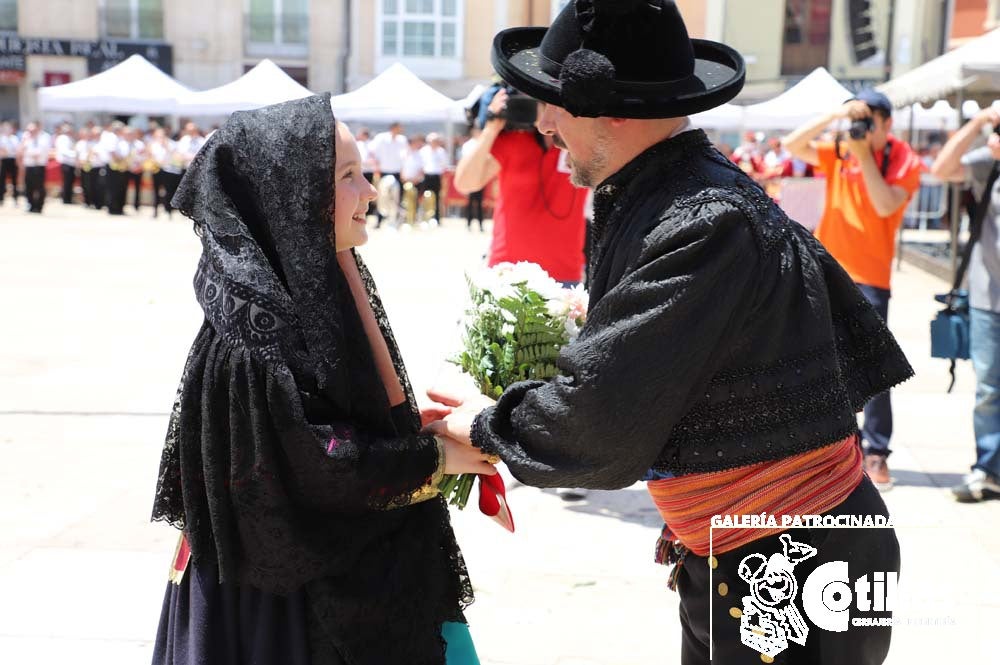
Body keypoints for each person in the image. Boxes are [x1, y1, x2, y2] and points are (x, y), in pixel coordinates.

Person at [428, 3, 909, 663]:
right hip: (749, 552)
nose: (542, 122)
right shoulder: (667, 196)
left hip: (799, 560)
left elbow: (604, 419)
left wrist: (484, 426)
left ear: (613, 109)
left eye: (556, 102)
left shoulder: (701, 221)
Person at [149, 94, 491, 665]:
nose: (370, 192)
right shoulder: (253, 337)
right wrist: (429, 459)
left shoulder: (310, 292)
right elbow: (309, 466)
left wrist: (406, 434)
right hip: (282, 611)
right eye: (348, 177)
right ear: (291, 197)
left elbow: (332, 423)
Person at [783, 88, 923, 490]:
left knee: (876, 370)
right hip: (829, 270)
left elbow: (884, 205)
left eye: (869, 121)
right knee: (826, 365)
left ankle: (877, 453)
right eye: (858, 119)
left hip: (872, 276)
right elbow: (794, 144)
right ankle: (842, 450)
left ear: (887, 123)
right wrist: (834, 116)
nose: (861, 127)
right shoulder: (841, 148)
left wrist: (863, 154)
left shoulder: (901, 157)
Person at [930, 106, 1000, 502]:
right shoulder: (988, 162)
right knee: (989, 388)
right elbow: (941, 168)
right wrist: (979, 121)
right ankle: (988, 469)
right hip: (989, 295)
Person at [454, 88, 589, 286]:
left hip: (564, 273)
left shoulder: (582, 146)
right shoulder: (513, 142)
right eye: (542, 105)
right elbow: (465, 183)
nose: (547, 117)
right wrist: (491, 127)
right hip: (507, 271)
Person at [368, 121, 408, 227]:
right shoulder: (381, 138)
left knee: (397, 197)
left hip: (397, 172)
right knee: (382, 197)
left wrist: (404, 171)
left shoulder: (402, 140)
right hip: (384, 171)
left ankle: (395, 220)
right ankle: (379, 220)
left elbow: (404, 157)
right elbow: (371, 151)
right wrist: (376, 165)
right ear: (393, 128)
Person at [149, 128, 183, 218]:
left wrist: (166, 146)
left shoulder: (171, 143)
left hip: (168, 169)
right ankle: (155, 210)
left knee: (168, 191)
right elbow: (151, 155)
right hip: (156, 168)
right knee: (156, 191)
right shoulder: (153, 144)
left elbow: (176, 155)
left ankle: (168, 210)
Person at [18, 121, 51, 214]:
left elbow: (40, 152)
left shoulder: (44, 138)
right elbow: (21, 151)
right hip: (29, 165)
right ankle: (31, 205)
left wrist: (30, 152)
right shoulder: (26, 138)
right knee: (29, 186)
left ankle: (39, 206)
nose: (31, 132)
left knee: (40, 187)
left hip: (39, 166)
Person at [460, 129, 486, 231]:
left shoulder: (483, 143)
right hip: (471, 173)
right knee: (470, 201)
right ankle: (469, 223)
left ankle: (480, 223)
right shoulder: (468, 145)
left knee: (479, 201)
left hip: (480, 174)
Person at [420, 132, 449, 224]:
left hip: (436, 176)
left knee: (437, 198)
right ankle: (423, 216)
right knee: (424, 197)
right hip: (426, 176)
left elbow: (444, 164)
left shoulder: (441, 151)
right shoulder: (424, 150)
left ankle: (436, 218)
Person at [54, 123, 77, 205]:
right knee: (67, 182)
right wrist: (75, 154)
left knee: (70, 182)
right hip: (66, 163)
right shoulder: (63, 138)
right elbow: (64, 151)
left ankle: (68, 198)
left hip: (71, 163)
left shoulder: (69, 138)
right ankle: (66, 199)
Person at [0, 121, 19, 205]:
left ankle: (15, 198)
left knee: (14, 180)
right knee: (2, 180)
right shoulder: (1, 138)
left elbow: (16, 150)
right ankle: (1, 198)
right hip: (4, 160)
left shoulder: (14, 138)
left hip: (12, 160)